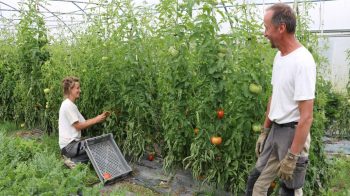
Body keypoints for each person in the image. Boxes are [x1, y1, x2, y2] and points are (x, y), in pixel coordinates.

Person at [245, 3, 316, 196]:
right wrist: (265, 130)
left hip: (292, 135)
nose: (264, 33)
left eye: (267, 27)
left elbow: (307, 117)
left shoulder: (302, 61)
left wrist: (293, 156)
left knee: (289, 190)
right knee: (256, 182)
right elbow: (275, 96)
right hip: (275, 131)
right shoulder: (280, 57)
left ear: (281, 28)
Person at [59, 76, 109, 168]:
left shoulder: (71, 105)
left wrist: (98, 118)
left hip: (71, 145)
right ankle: (72, 161)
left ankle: (72, 161)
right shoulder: (68, 105)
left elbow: (84, 122)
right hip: (69, 146)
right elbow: (78, 126)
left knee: (95, 146)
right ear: (70, 89)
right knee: (97, 146)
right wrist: (96, 120)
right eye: (77, 88)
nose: (80, 90)